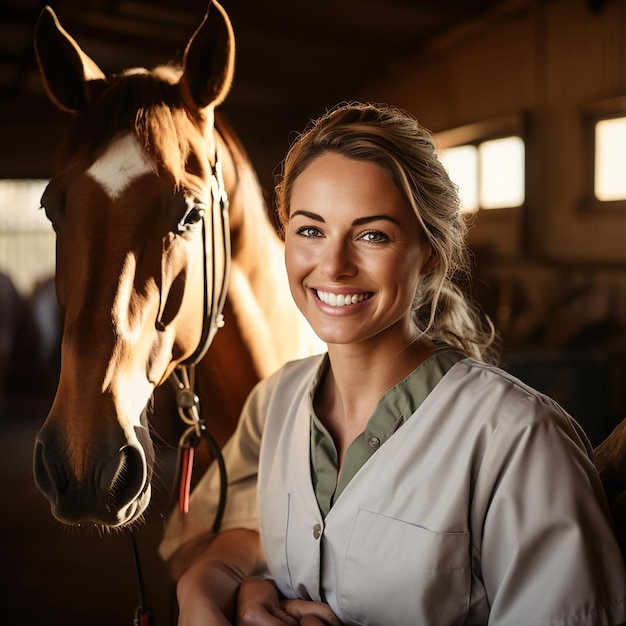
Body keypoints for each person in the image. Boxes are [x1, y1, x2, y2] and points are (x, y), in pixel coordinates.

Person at [160, 101, 626, 625]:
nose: (333, 266)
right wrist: (210, 586)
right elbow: (260, 541)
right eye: (311, 230)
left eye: (372, 235)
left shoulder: (518, 439)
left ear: (429, 251)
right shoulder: (278, 400)